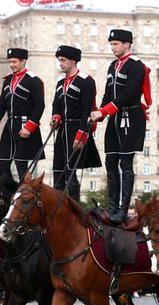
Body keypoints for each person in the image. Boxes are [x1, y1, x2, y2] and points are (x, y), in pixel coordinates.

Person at [90, 29, 152, 224]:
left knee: (125, 163)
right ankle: (112, 208)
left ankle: (123, 211)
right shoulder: (112, 66)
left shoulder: (136, 66)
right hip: (114, 119)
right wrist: (99, 113)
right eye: (111, 44)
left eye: (116, 44)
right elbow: (109, 92)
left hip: (130, 118)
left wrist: (105, 111)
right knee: (110, 162)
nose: (113, 47)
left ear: (127, 44)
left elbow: (130, 93)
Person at [49, 45, 101, 201]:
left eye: (63, 60)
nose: (61, 63)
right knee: (58, 170)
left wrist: (81, 135)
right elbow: (56, 106)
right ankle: (57, 204)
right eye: (59, 60)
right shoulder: (60, 83)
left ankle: (74, 206)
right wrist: (55, 117)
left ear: (73, 60)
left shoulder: (86, 81)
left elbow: (88, 109)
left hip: (77, 129)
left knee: (70, 171)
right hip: (62, 131)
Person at [0, 48, 45, 182]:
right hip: (9, 126)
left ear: (23, 61)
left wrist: (29, 127)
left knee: (21, 165)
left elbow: (39, 106)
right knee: (2, 163)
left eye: (14, 61)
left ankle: (26, 196)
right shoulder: (7, 81)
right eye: (10, 61)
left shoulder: (33, 81)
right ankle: (11, 193)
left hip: (24, 126)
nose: (11, 65)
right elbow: (1, 104)